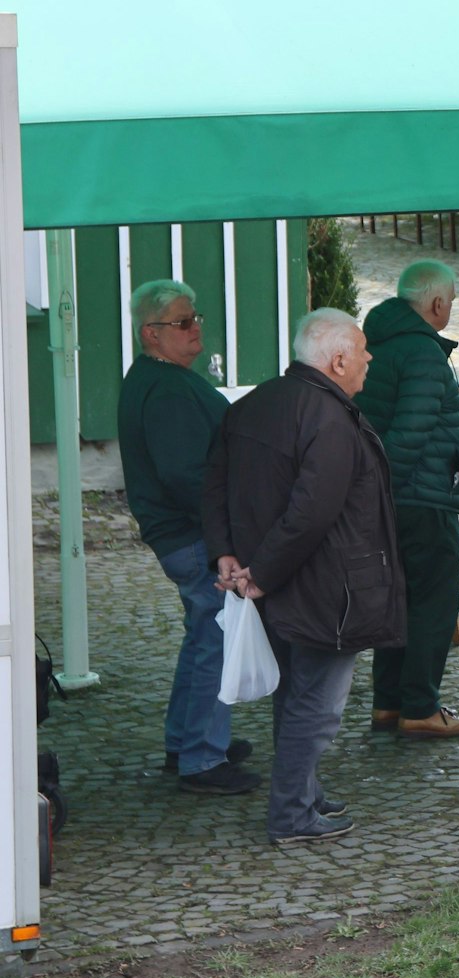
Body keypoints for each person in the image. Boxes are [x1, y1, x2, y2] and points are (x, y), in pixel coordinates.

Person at [205, 309, 403, 844]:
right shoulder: (329, 418)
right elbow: (312, 512)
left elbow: (215, 483)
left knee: (293, 694)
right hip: (324, 587)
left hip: (273, 580)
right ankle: (292, 813)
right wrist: (261, 573)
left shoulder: (253, 403)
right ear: (337, 360)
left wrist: (226, 554)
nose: (368, 358)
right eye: (361, 350)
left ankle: (304, 793)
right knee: (315, 705)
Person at [116, 280, 260, 793]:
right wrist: (225, 537)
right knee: (214, 640)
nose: (195, 327)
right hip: (193, 534)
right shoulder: (166, 389)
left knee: (204, 636)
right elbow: (185, 475)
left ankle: (186, 741)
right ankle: (202, 757)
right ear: (151, 333)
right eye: (182, 322)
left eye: (195, 317)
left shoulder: (159, 378)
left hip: (185, 532)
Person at [354, 260, 459, 740]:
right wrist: (390, 491)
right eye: (452, 302)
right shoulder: (422, 351)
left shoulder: (381, 343)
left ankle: (389, 703)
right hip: (422, 499)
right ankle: (421, 708)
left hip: (394, 498)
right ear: (437, 303)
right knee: (432, 604)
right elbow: (410, 432)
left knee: (398, 600)